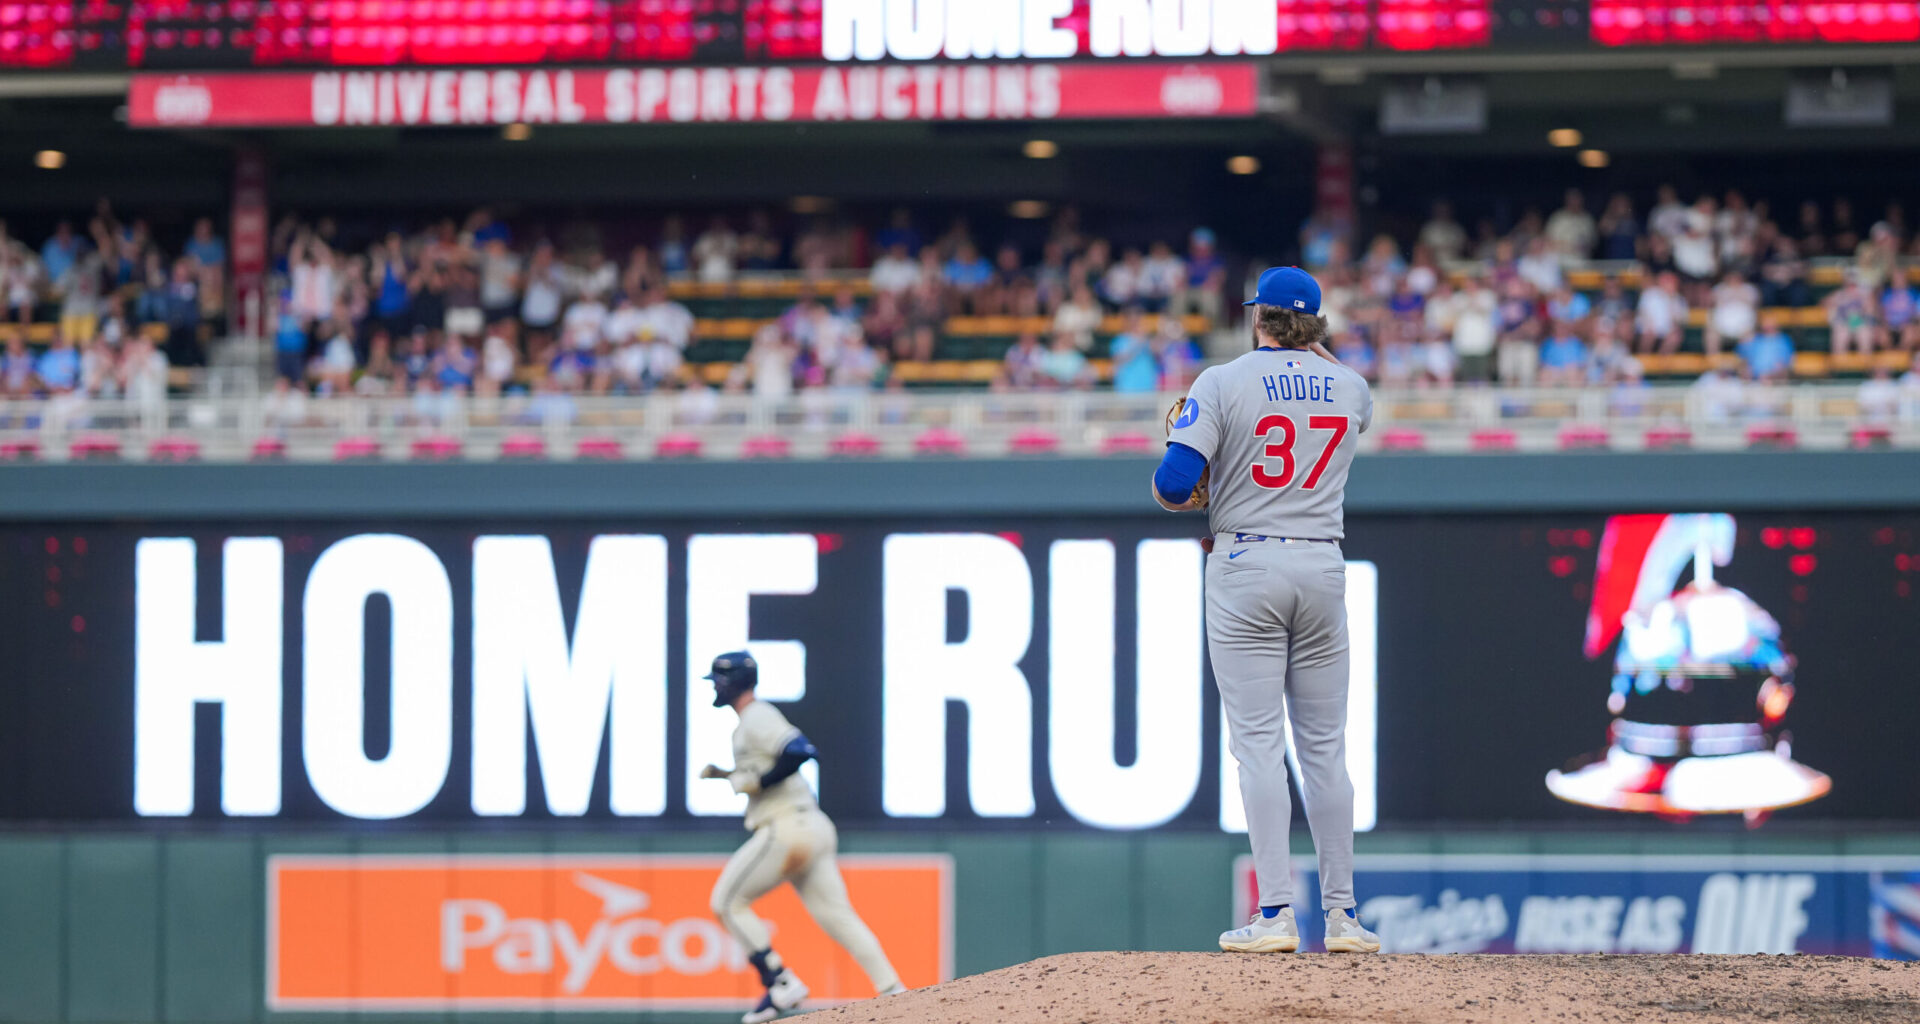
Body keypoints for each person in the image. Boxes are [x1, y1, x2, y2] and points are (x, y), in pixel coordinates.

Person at [1152, 266, 1380, 956]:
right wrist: (1321, 357)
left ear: (1258, 317)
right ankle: (1342, 918)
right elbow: (1336, 382)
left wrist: (1204, 481)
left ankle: (1277, 912)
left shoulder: (1221, 381)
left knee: (1258, 744)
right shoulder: (1354, 388)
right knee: (1326, 751)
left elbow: (1171, 486)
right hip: (1322, 562)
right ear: (1316, 325)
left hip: (1246, 561)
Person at [698, 652, 907, 1024]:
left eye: (717, 679)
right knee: (839, 916)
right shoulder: (750, 723)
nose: (713, 685)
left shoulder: (756, 716)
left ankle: (779, 982)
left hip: (787, 827)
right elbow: (777, 760)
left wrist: (758, 781)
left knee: (726, 902)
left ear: (733, 681)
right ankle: (895, 991)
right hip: (813, 825)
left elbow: (801, 751)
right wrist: (733, 775)